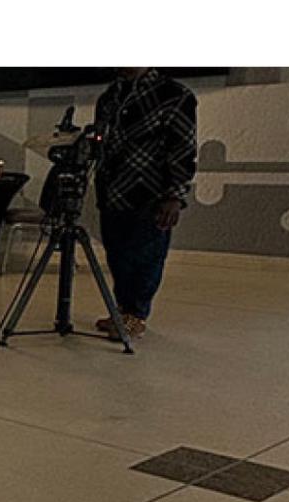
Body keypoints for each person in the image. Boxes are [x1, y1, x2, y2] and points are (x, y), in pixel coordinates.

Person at [92, 68, 198, 340]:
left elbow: (183, 149)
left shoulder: (174, 95)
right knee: (118, 256)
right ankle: (123, 310)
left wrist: (175, 196)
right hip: (112, 191)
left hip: (150, 193)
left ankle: (136, 315)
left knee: (145, 258)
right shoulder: (110, 96)